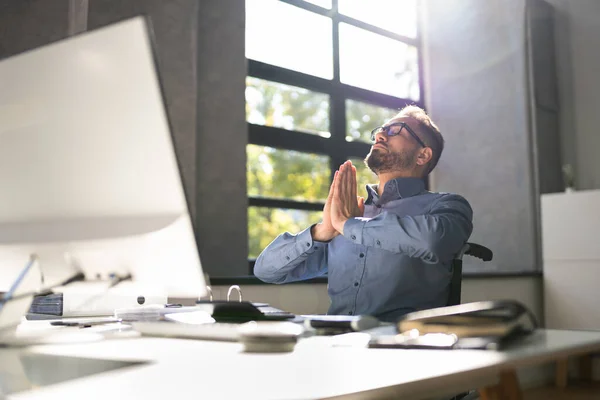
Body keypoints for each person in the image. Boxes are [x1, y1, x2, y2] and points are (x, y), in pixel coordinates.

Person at [254, 105, 473, 322]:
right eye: (381, 129)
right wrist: (322, 231)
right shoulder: (346, 214)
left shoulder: (446, 205)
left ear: (422, 155)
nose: (380, 134)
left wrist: (349, 225)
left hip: (401, 346)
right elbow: (266, 271)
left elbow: (434, 240)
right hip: (336, 343)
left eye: (396, 130)